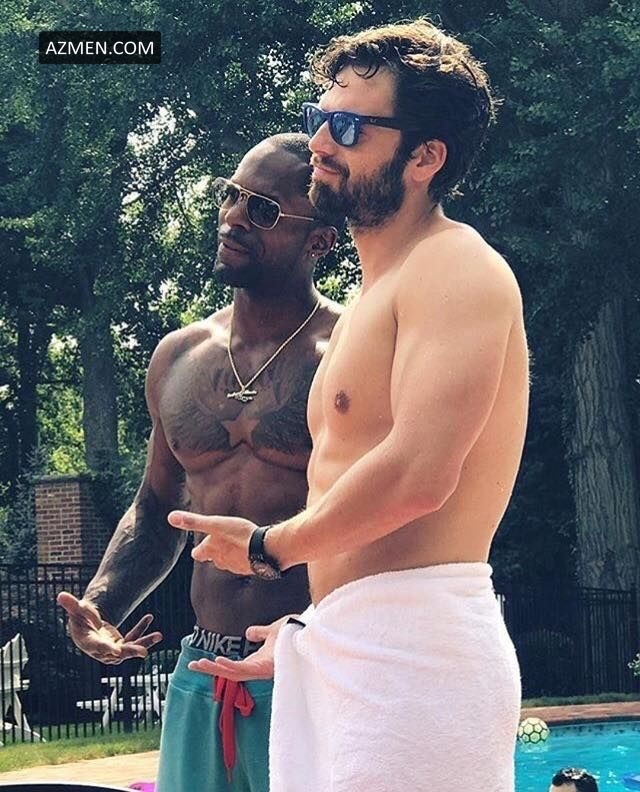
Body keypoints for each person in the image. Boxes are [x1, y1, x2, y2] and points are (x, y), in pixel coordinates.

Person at [169, 19, 529, 792]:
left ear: (424, 157)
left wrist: (268, 547)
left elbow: (418, 475)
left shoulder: (456, 268)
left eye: (349, 128)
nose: (320, 144)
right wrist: (315, 633)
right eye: (319, 118)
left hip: (420, 664)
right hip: (356, 653)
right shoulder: (373, 295)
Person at [56, 132, 344, 792]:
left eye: (263, 209)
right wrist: (101, 605)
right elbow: (158, 509)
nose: (234, 217)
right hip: (202, 668)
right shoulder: (179, 357)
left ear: (320, 241)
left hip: (311, 666)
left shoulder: (350, 353)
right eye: (231, 195)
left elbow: (385, 515)